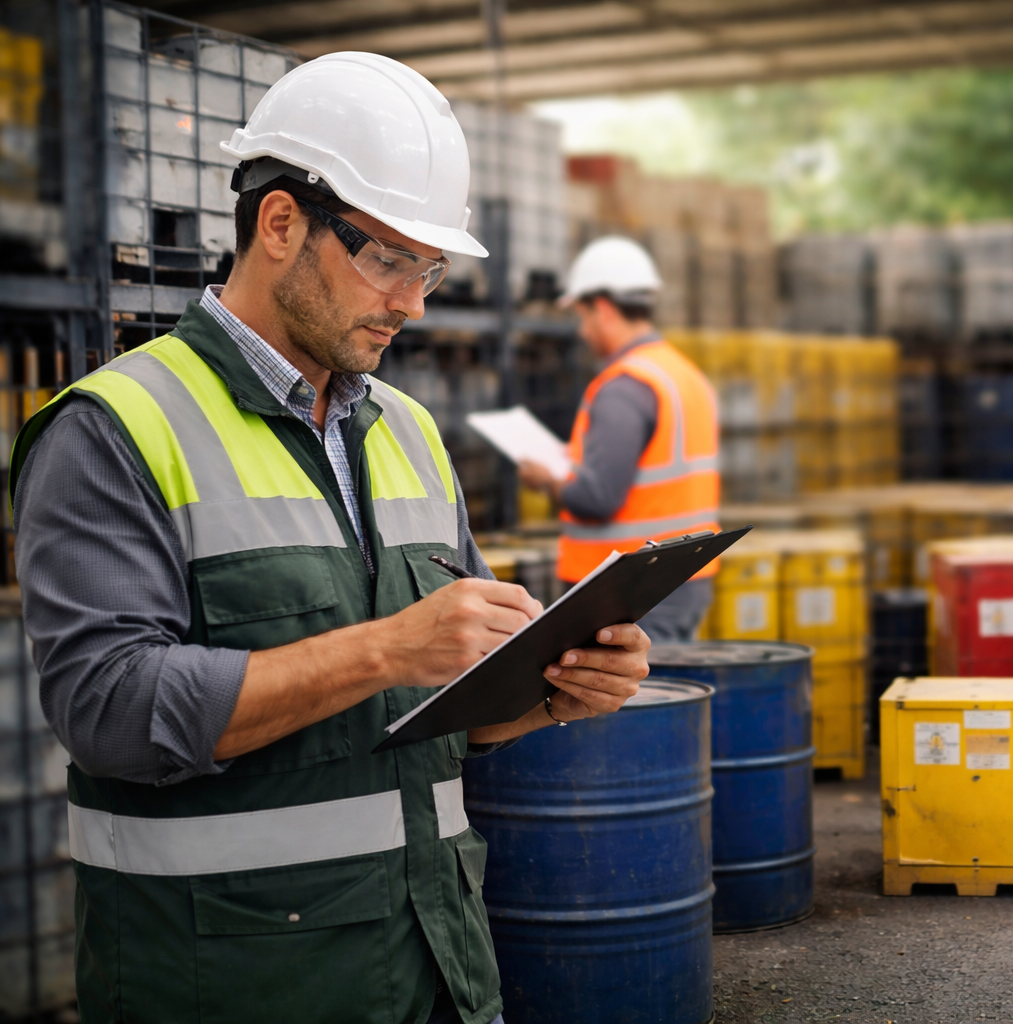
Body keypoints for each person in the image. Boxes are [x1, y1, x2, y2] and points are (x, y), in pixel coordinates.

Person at [11, 53, 650, 1024]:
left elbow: (444, 714)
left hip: (434, 967)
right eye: (388, 260)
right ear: (279, 225)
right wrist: (388, 645)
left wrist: (551, 694)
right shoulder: (114, 429)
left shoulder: (408, 432)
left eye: (427, 268)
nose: (415, 301)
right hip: (237, 985)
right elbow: (107, 711)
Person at [518, 237, 720, 642]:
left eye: (583, 315)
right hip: (680, 575)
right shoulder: (681, 374)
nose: (583, 330)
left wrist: (546, 479)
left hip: (630, 588)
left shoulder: (624, 387)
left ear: (605, 309)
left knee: (634, 704)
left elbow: (597, 498)